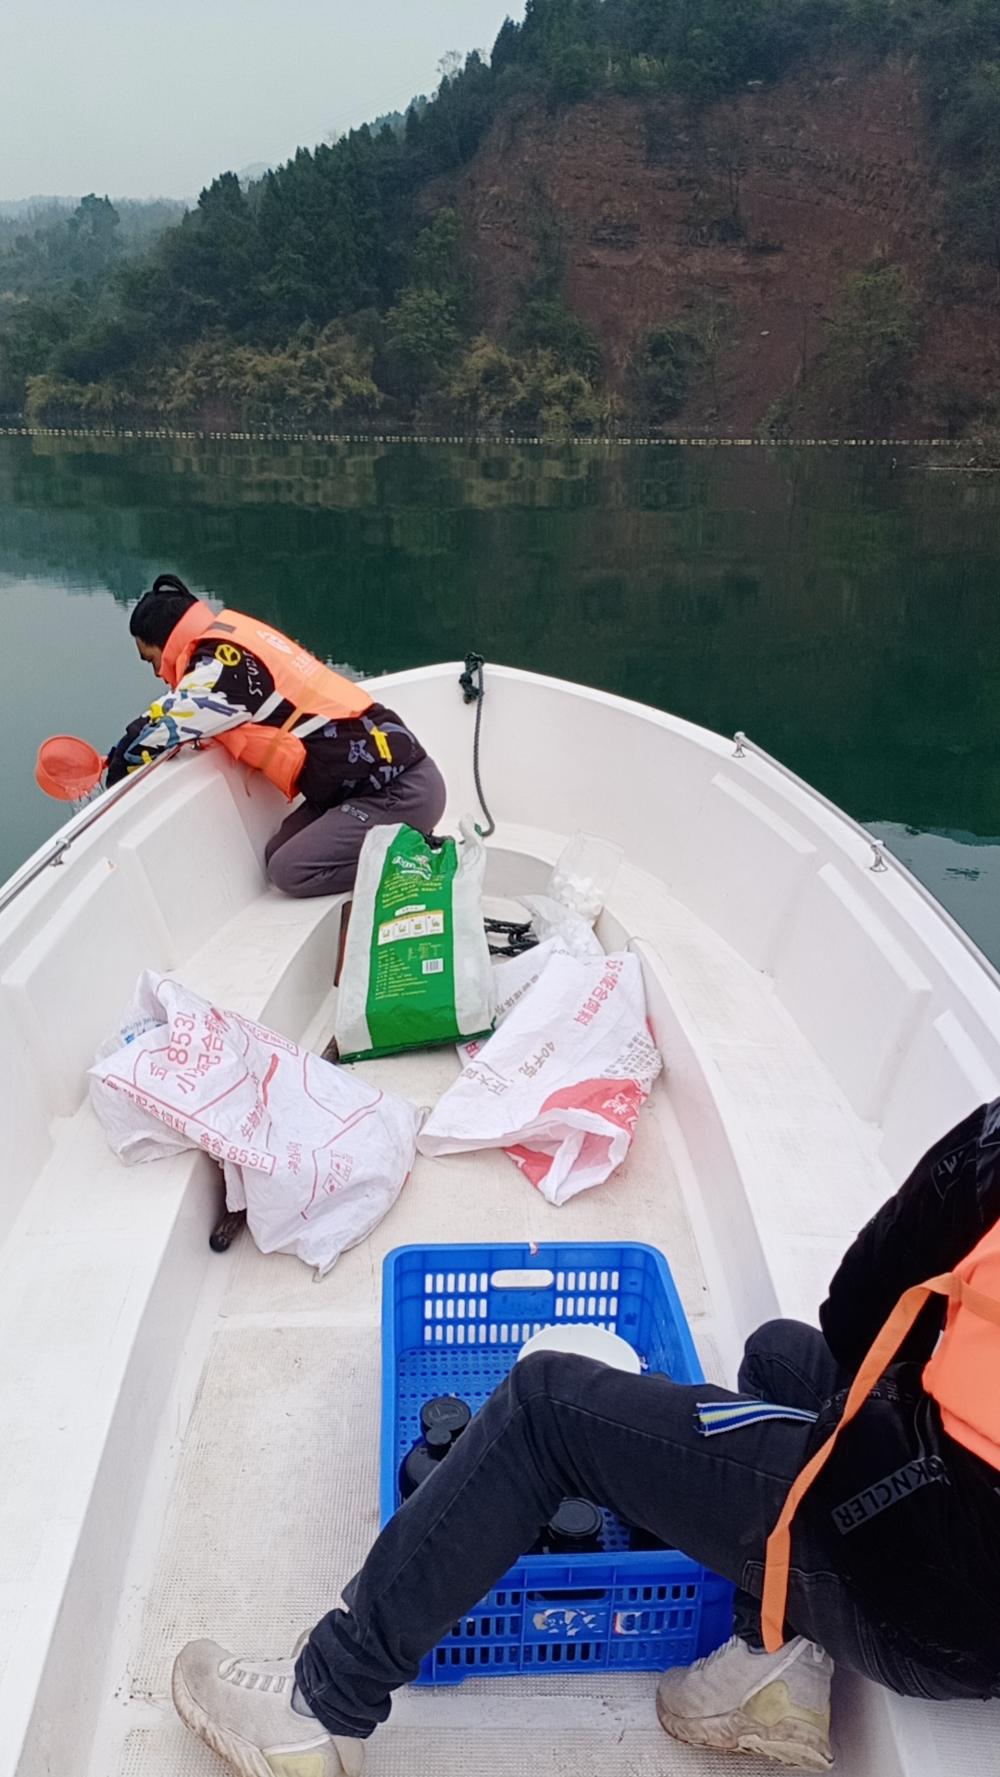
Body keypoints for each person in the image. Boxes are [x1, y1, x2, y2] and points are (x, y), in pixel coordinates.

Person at [171, 1100, 1000, 1776]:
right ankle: (776, 1661)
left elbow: (861, 1312)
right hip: (976, 1593)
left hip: (921, 1581)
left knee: (543, 1408)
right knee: (782, 1358)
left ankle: (321, 1706)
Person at [107, 575, 446, 897]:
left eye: (152, 659)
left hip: (400, 790)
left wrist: (116, 769)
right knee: (277, 851)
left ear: (169, 643)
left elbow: (157, 732)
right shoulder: (228, 641)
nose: (157, 672)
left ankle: (421, 861)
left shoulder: (221, 668)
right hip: (361, 787)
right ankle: (403, 843)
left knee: (290, 870)